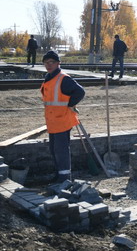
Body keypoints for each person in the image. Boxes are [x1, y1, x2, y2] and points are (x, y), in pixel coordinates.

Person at [40, 50, 85, 183]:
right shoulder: (49, 78)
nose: (48, 65)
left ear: (58, 63)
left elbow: (80, 92)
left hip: (62, 120)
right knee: (54, 150)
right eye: (45, 63)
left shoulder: (63, 78)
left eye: (51, 62)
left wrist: (70, 104)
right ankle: (59, 174)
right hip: (53, 120)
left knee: (61, 150)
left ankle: (65, 178)